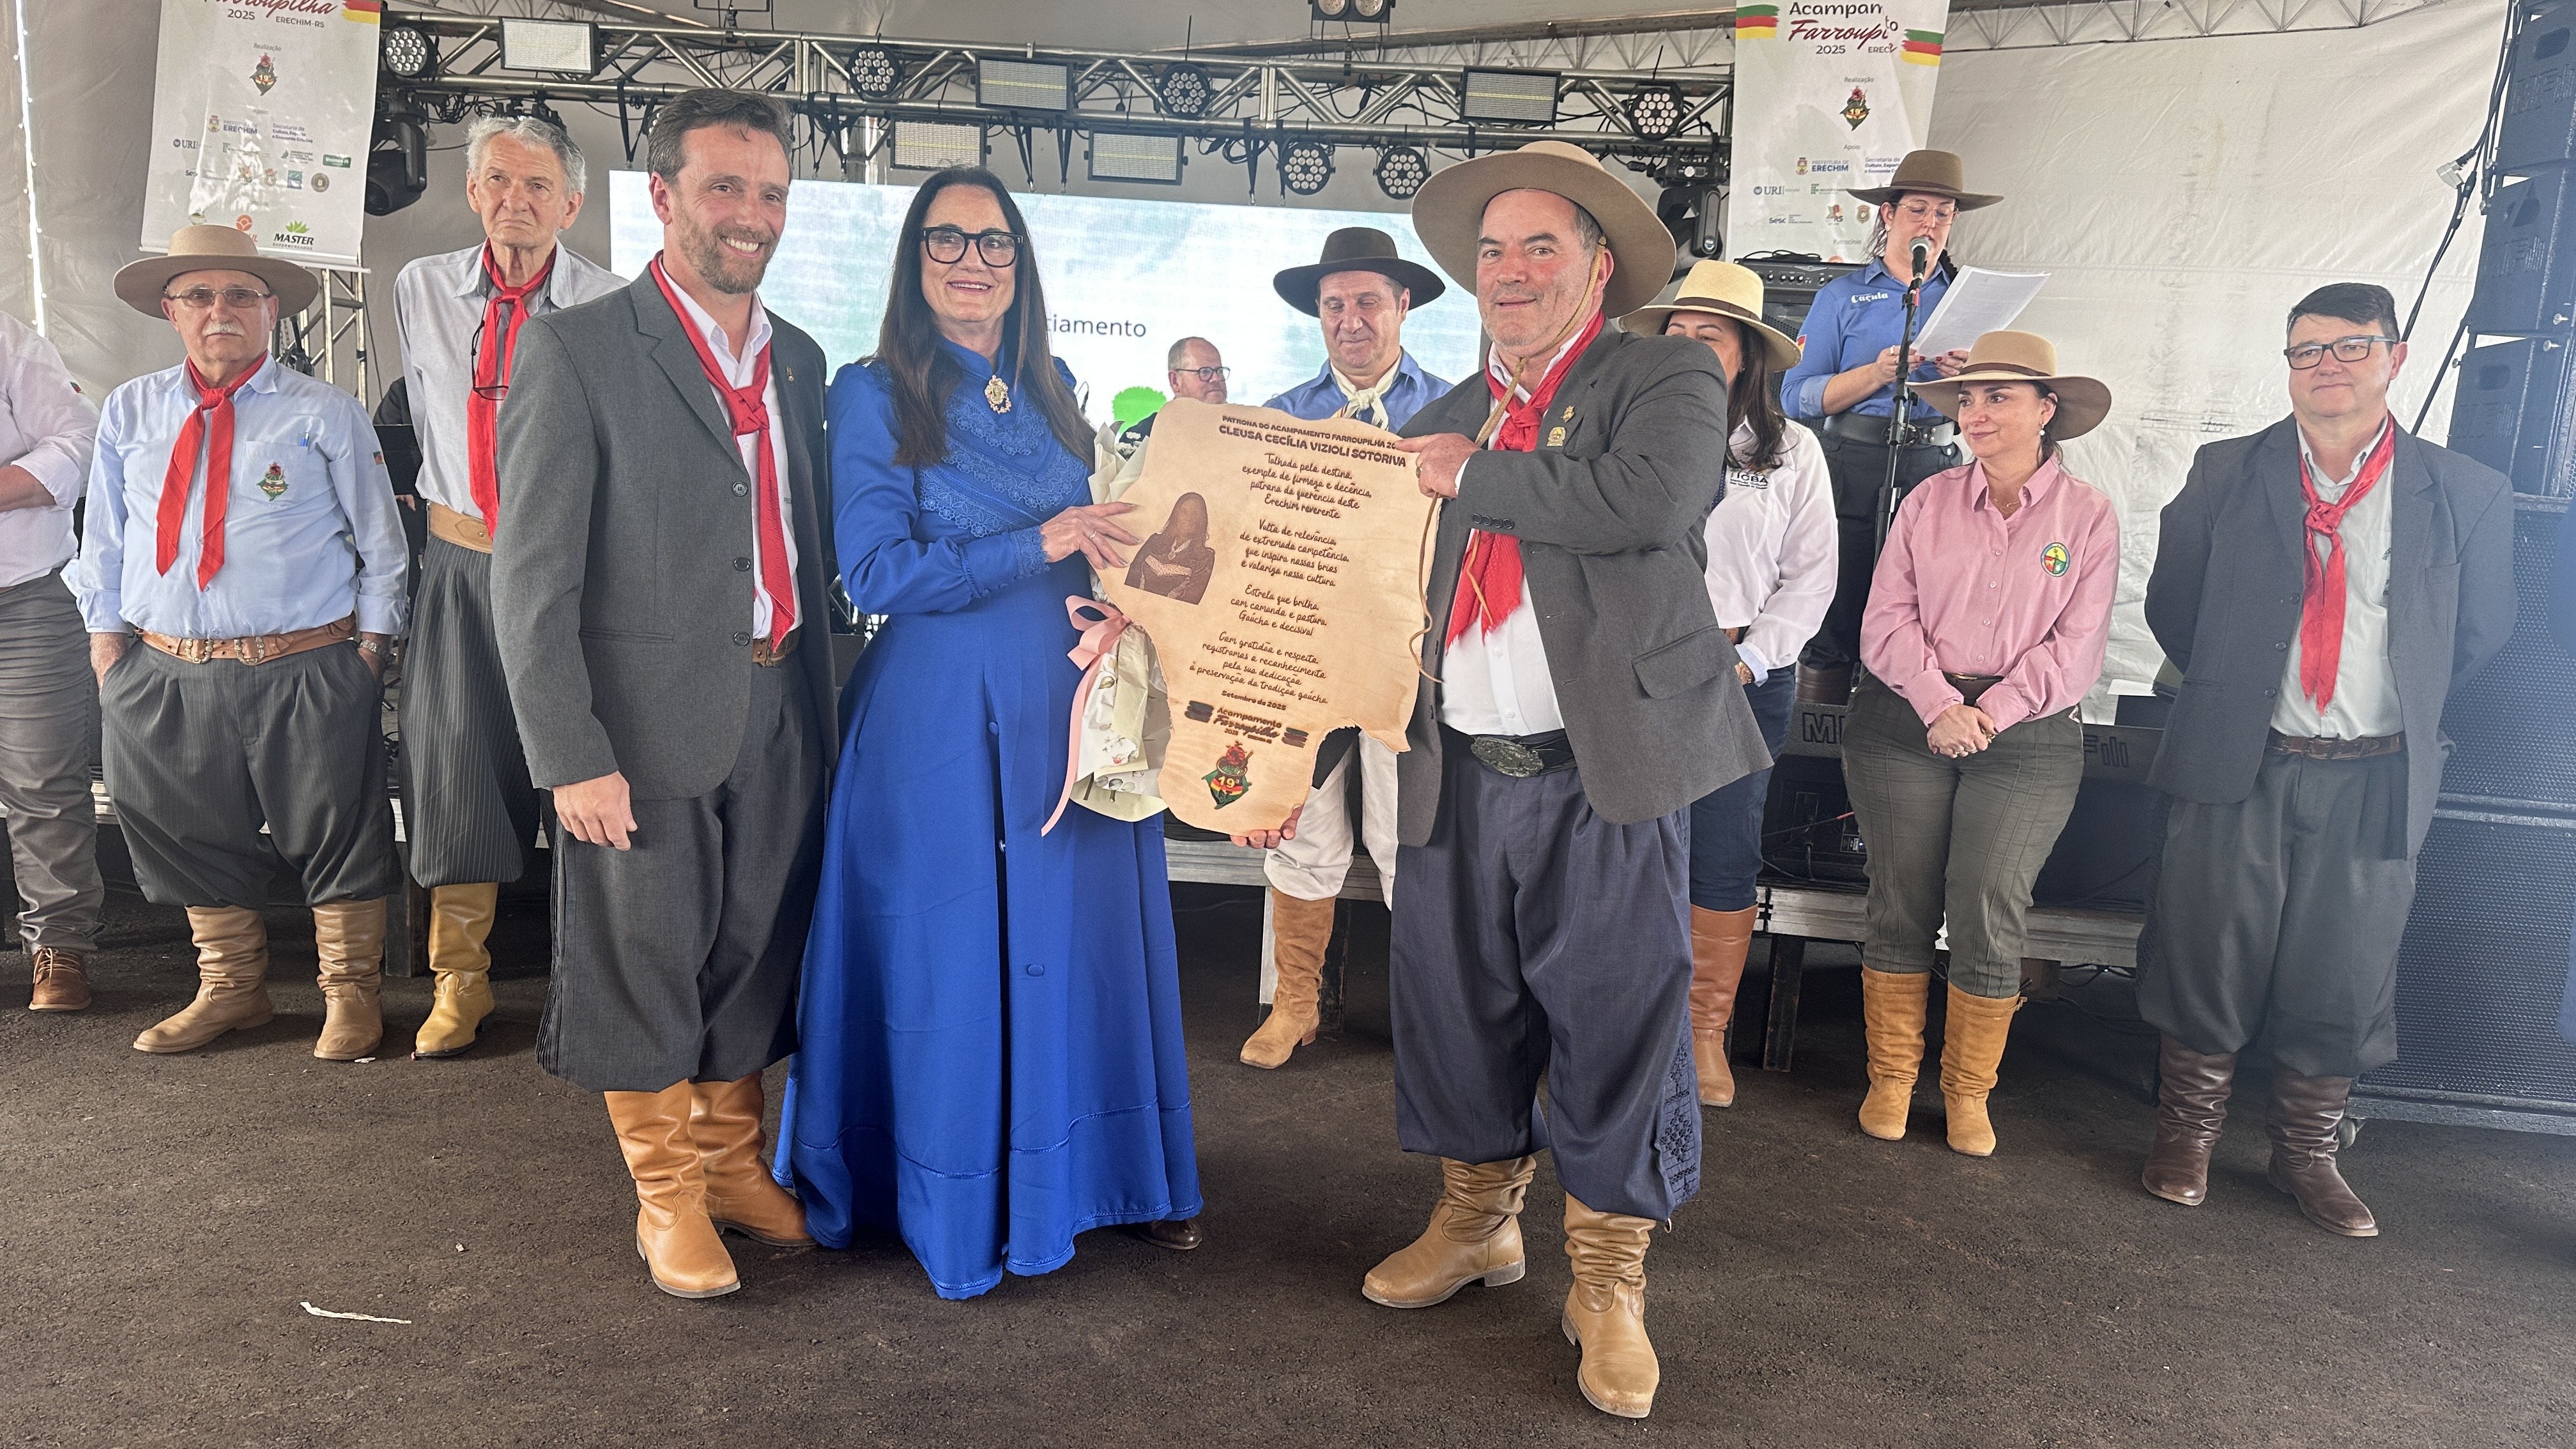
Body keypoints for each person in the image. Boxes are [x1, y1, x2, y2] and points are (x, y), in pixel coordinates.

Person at [1344, 139, 1764, 1420]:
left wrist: (1472, 473)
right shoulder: (1439, 412)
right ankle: (1478, 1221)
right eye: (1492, 251)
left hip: (1606, 771)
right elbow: (1365, 587)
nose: (1511, 270)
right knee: (1454, 1003)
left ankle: (1608, 1278)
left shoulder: (1666, 375)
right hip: (1455, 766)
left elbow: (1648, 500)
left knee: (1619, 1015)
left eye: (1541, 246)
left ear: (1597, 268)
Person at [776, 165, 1203, 1301]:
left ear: (1022, 261)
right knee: (952, 953)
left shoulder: (1056, 387)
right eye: (947, 240)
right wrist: (1046, 537)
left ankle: (1108, 1174)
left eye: (994, 241)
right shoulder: (872, 391)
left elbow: (1106, 535)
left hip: (1073, 709)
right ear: (913, 262)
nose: (973, 261)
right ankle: (955, 1194)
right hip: (940, 720)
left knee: (1083, 942)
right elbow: (873, 572)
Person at [490, 89, 835, 1300]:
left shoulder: (801, 359)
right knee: (644, 956)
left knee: (753, 948)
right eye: (724, 186)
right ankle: (668, 1196)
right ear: (662, 195)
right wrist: (568, 751)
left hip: (780, 704)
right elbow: (529, 578)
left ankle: (734, 1163)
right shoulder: (577, 349)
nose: (751, 214)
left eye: (770, 193)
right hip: (634, 729)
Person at [2135, 283, 2513, 1238]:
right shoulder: (2226, 471)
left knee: (2345, 965)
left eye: (2352, 346)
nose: (2327, 366)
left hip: (2378, 773)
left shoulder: (2465, 493)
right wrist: (2237, 694)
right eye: (2307, 351)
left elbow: (2478, 634)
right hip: (2243, 760)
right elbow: (2174, 605)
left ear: (2395, 356)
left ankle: (2306, 1151)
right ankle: (2188, 1133)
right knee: (2207, 946)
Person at [77, 226, 407, 1059]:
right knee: (190, 828)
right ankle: (231, 989)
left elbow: (383, 542)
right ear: (171, 311)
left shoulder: (325, 411)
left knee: (338, 829)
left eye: (240, 295)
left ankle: (352, 994)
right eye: (199, 295)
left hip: (305, 663)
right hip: (165, 667)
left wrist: (372, 651)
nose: (219, 310)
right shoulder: (130, 410)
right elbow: (105, 539)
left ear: (271, 311)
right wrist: (108, 646)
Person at [1839, 330, 2117, 1157]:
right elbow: (1886, 620)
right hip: (1904, 720)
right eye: (1969, 398)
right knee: (1900, 899)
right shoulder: (1926, 502)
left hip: (2026, 732)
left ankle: (1967, 1092)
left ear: (2047, 409)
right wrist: (1938, 703)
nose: (1977, 412)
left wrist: (1987, 711)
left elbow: (2079, 645)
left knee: (1990, 903)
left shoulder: (2088, 516)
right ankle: (1892, 1078)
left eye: (1999, 396)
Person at [392, 113, 624, 1059]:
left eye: (537, 186)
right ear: (472, 191)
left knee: (586, 758)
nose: (514, 201)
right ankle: (461, 979)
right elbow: (424, 418)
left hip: (575, 571)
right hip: (462, 561)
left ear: (571, 204)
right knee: (457, 766)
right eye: (497, 180)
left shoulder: (615, 304)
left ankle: (589, 978)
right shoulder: (419, 287)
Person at [1620, 260, 1834, 1108]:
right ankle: (1627, 1028)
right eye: (1676, 331)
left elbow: (1812, 575)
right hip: (1632, 670)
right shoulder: (1624, 430)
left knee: (1723, 846)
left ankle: (1702, 1033)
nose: (1687, 345)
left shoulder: (1791, 450)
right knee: (1624, 845)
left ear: (1747, 352)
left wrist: (1753, 658)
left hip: (1740, 667)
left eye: (1707, 335)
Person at [1238, 226, 1452, 1070]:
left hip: (1413, 664)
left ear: (1403, 305)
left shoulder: (1454, 413)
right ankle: (1295, 1005)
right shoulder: (1280, 416)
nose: (1350, 320)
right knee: (1304, 832)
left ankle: (1430, 1018)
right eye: (1334, 305)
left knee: (1411, 841)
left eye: (1367, 301)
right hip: (1308, 667)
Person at [1776, 150, 1998, 700]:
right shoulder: (1843, 296)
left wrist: (1969, 382)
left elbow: (1996, 413)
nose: (1930, 223)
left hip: (1936, 465)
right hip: (1853, 464)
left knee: (1920, 613)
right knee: (1835, 609)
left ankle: (1893, 731)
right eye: (1918, 209)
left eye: (1943, 213)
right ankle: (1818, 736)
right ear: (1888, 214)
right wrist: (1874, 374)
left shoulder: (1969, 300)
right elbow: (1797, 397)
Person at [0, 309, 101, 1013]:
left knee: (43, 781)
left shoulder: (7, 339)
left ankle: (59, 945)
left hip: (25, 595)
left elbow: (79, 441)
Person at [1121, 336, 1227, 444]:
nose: (1217, 378)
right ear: (1175, 381)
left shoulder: (1237, 430)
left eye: (1220, 371)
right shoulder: (1142, 437)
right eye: (1205, 372)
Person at [1123, 491, 1216, 602]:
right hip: (1132, 603)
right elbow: (1132, 578)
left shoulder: (1204, 558)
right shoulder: (1154, 541)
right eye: (1184, 512)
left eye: (1195, 514)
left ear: (1201, 520)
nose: (1189, 518)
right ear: (1176, 515)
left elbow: (1190, 602)